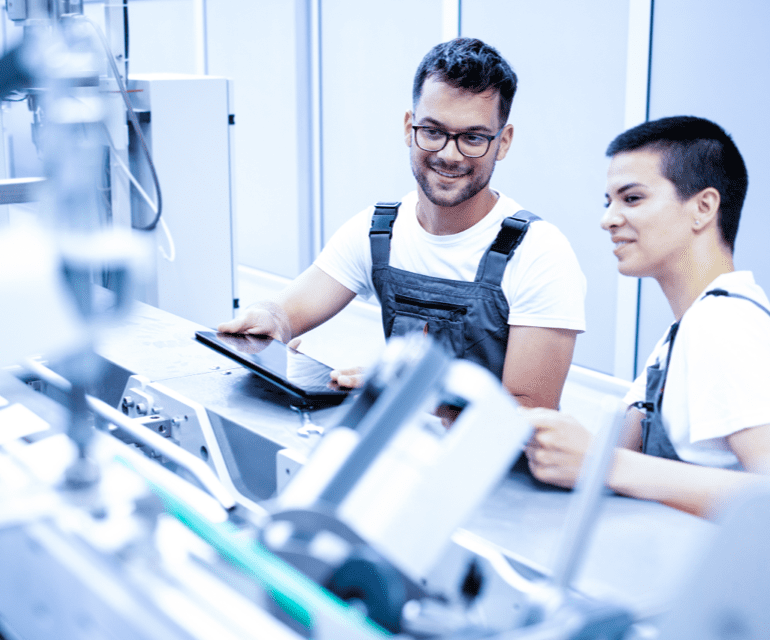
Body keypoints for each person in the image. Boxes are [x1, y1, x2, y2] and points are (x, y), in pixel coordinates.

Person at [219, 38, 586, 408]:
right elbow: (287, 312)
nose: (449, 153)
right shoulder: (378, 230)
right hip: (396, 450)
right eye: (433, 131)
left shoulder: (540, 253)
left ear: (502, 142)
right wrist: (268, 320)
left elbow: (530, 416)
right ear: (409, 127)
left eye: (473, 137)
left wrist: (415, 393)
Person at [525, 116, 770, 518]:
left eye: (631, 199)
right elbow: (615, 453)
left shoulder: (727, 326)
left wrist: (605, 464)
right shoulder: (683, 334)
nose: (608, 219)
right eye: (608, 202)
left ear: (703, 208)